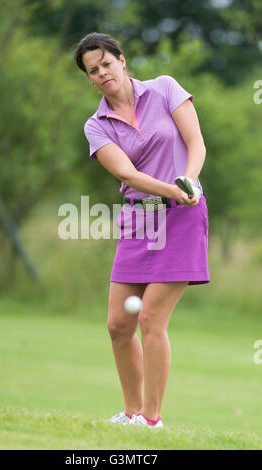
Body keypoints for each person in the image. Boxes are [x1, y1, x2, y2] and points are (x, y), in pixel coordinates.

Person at [74, 32, 210, 429]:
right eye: (93, 71)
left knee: (151, 319)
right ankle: (131, 411)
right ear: (90, 78)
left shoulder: (165, 89)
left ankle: (151, 420)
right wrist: (169, 188)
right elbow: (126, 172)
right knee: (118, 324)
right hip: (140, 218)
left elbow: (196, 141)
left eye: (106, 64)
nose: (102, 73)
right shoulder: (96, 125)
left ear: (121, 59)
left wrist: (188, 181)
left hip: (183, 216)